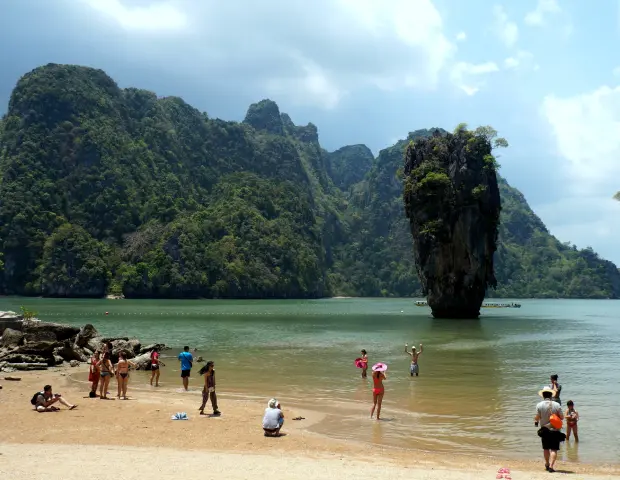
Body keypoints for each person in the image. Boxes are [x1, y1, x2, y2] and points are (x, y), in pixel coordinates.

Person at [534, 386, 566, 473]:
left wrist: (536, 422)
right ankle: (551, 466)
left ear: (543, 395)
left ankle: (547, 464)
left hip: (544, 430)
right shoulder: (557, 405)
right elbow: (562, 417)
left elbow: (537, 418)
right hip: (555, 430)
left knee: (546, 449)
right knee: (554, 449)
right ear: (551, 395)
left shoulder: (539, 405)